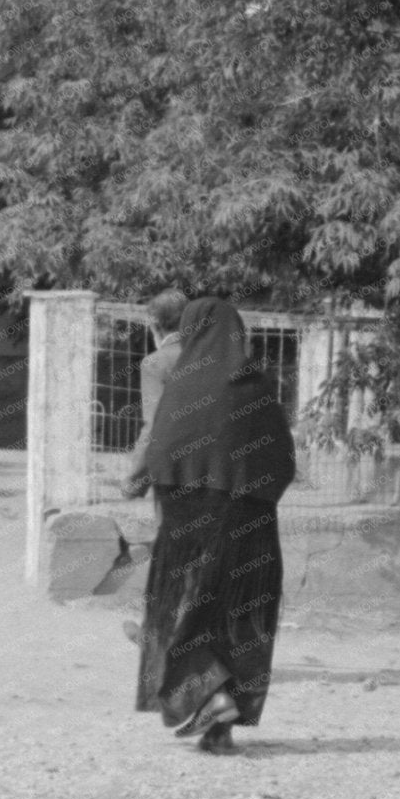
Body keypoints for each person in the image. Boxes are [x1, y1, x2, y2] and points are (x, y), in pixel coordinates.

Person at [134, 297, 295, 754]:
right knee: (237, 621)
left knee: (184, 615)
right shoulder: (258, 387)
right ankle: (219, 728)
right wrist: (251, 497)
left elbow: (162, 450)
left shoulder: (185, 385)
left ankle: (215, 698)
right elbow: (283, 460)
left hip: (191, 525)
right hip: (253, 526)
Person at [122, 288, 188, 498]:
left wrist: (135, 481)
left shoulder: (156, 364)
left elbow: (156, 428)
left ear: (154, 325)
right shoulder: (218, 357)